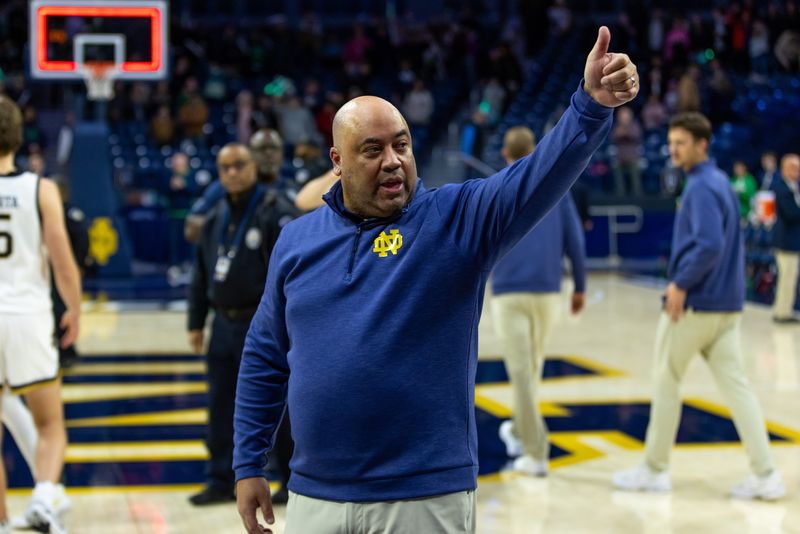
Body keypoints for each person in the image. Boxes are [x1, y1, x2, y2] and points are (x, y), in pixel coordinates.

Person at [234, 26, 638, 534]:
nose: (393, 162)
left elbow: (537, 176)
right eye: (372, 149)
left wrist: (590, 106)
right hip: (316, 494)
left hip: (426, 494)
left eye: (401, 145)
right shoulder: (297, 241)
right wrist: (249, 463)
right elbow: (266, 355)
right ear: (337, 163)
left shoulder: (455, 219)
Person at [613, 112, 785, 500]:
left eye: (680, 143)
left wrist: (679, 284)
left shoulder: (702, 187)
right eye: (671, 142)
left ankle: (655, 469)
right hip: (725, 307)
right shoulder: (719, 181)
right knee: (739, 390)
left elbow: (708, 244)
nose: (672, 149)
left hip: (695, 305)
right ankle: (766, 474)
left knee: (666, 379)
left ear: (701, 145)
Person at [187, 143, 297, 506]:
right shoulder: (215, 215)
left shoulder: (273, 210)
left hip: (262, 321)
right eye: (225, 168)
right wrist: (196, 320)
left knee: (276, 401)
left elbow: (290, 271)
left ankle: (289, 477)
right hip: (223, 323)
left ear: (253, 166)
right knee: (220, 403)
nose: (232, 173)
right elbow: (201, 274)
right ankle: (220, 477)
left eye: (239, 165)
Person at [0, 95, 81, 533]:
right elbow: (62, 263)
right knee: (50, 425)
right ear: (17, 135)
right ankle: (45, 500)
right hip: (28, 316)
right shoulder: (39, 188)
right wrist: (74, 311)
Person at [491, 126, 587, 477]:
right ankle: (518, 431)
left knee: (522, 374)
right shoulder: (557, 186)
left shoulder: (498, 186)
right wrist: (580, 286)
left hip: (509, 293)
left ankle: (536, 452)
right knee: (530, 372)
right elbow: (574, 240)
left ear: (505, 154)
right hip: (548, 294)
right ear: (534, 152)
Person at [771, 153, 800, 323]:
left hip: (793, 241)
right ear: (784, 169)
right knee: (786, 278)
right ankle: (781, 313)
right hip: (785, 241)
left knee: (791, 278)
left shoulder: (794, 187)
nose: (797, 171)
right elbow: (790, 213)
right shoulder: (781, 187)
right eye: (793, 167)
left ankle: (785, 310)